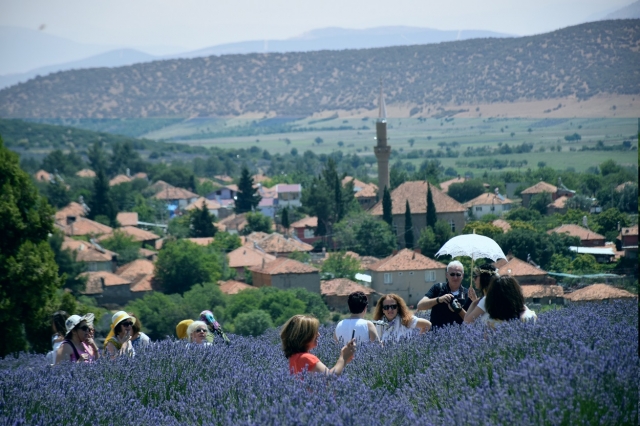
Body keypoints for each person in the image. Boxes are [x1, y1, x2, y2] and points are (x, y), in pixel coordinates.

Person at [281, 314, 356, 375]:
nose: (319, 334)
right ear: (305, 335)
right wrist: (343, 357)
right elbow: (330, 378)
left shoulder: (293, 358)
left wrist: (344, 361)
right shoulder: (307, 358)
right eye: (315, 332)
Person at [417, 260, 472, 328]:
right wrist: (439, 300)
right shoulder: (438, 288)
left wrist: (459, 310)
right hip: (435, 335)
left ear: (462, 275)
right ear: (446, 275)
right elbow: (420, 306)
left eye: (458, 274)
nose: (455, 277)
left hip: (459, 335)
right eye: (452, 274)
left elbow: (471, 320)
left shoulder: (468, 294)